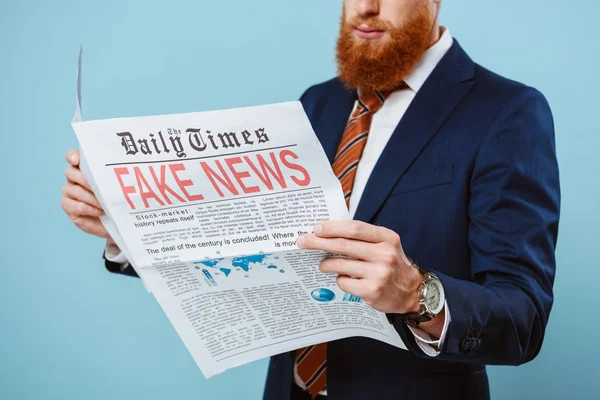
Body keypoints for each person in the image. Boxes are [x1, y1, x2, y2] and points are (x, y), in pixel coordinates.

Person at [61, 0, 561, 399]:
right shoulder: (318, 102)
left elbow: (524, 317)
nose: (364, 6)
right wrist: (125, 227)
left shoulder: (507, 112)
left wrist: (417, 294)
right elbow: (252, 254)